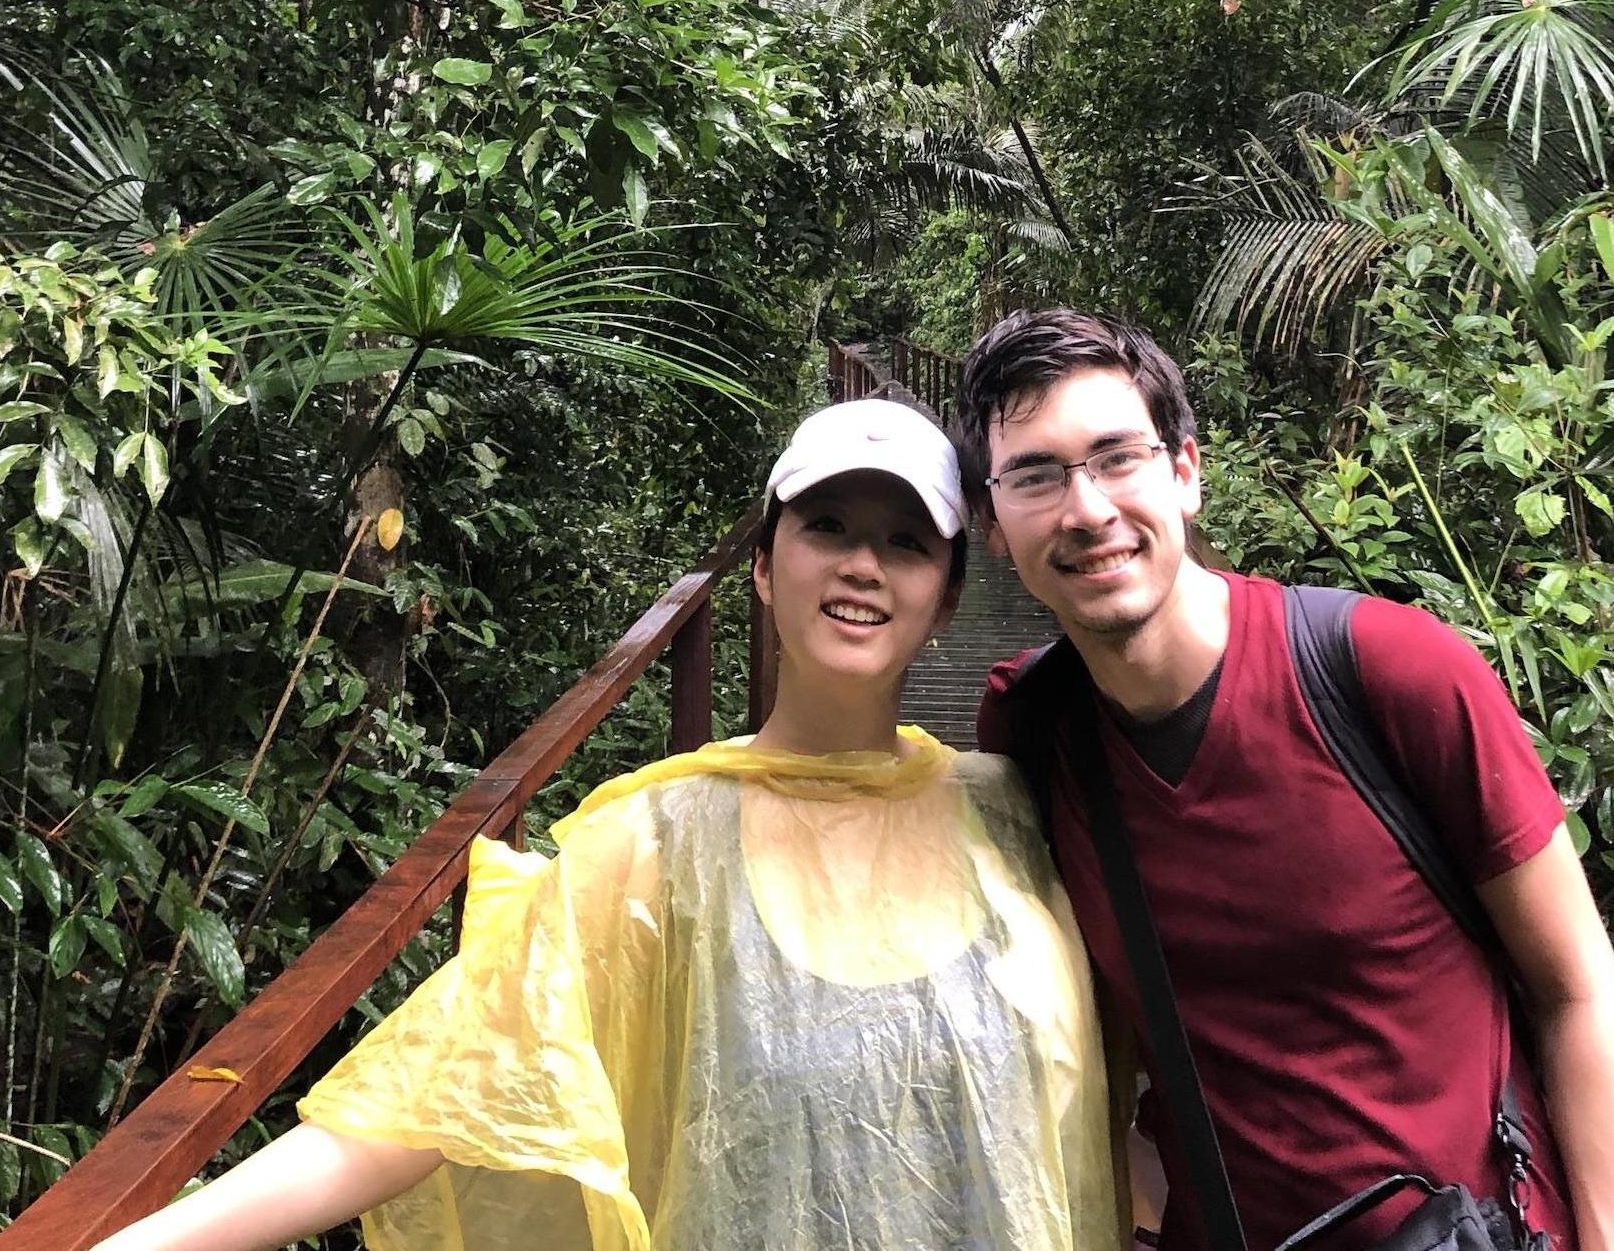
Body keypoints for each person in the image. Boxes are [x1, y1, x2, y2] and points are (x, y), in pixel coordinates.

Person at [96, 394, 1125, 1251]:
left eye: (905, 543)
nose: (863, 565)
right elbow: (451, 1081)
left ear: (945, 600)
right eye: (828, 528)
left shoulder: (1014, 810)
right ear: (763, 570)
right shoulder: (662, 842)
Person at [957, 309, 1614, 1251]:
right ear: (995, 527)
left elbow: (1576, 986)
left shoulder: (1385, 671)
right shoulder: (1035, 731)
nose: (1086, 509)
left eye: (1117, 456)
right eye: (1036, 475)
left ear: (1186, 472)